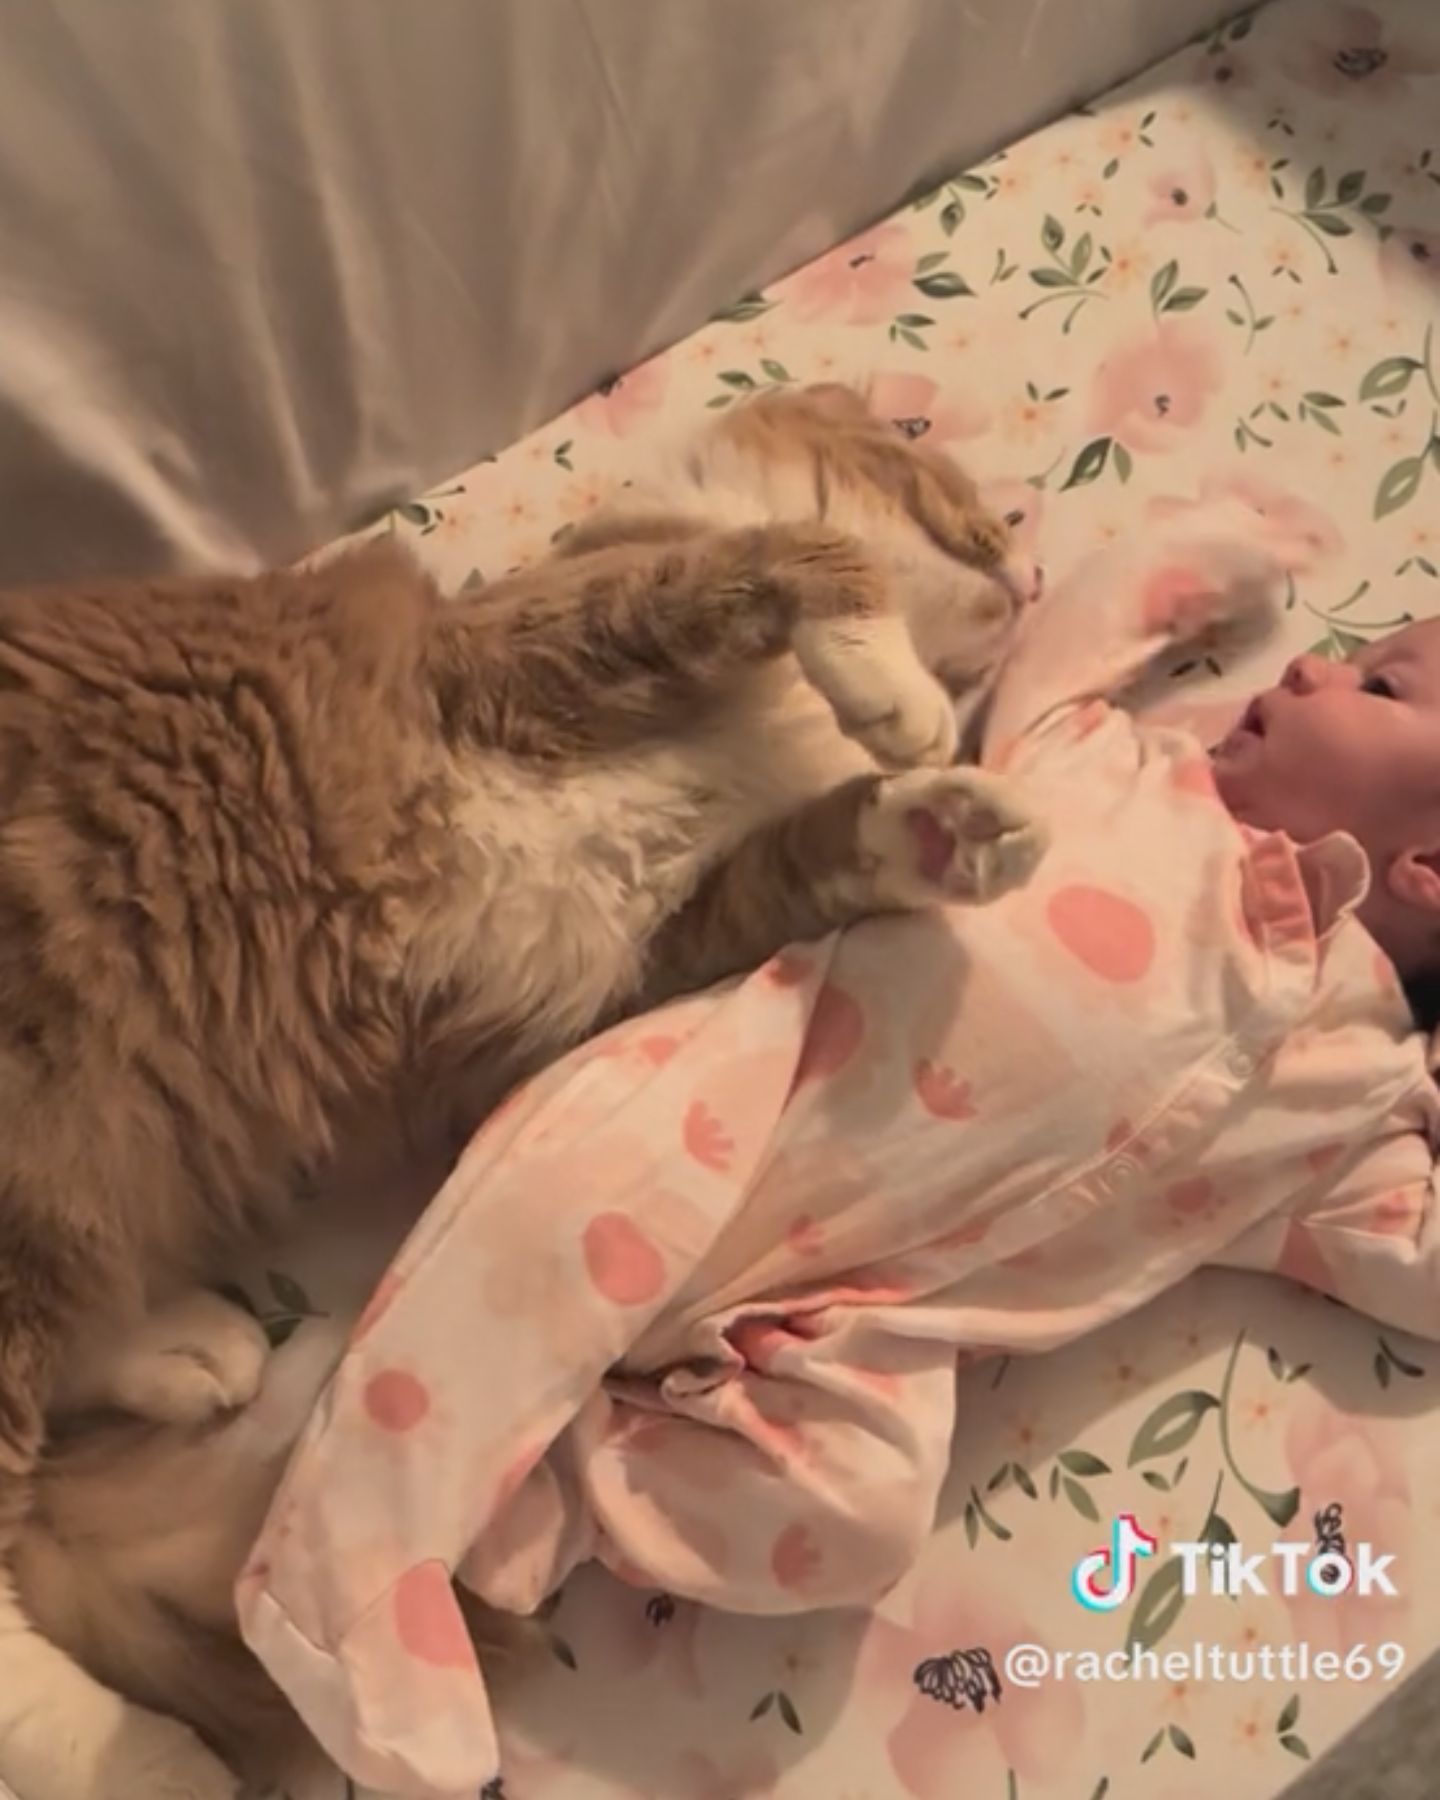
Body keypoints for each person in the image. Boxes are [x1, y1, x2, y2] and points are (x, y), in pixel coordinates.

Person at [70, 498, 1440, 1799]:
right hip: (740, 1099)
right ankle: (346, 1562)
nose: (1316, 668)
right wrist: (1206, 567)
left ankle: (534, 1509)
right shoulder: (1125, 777)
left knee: (860, 1519)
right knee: (545, 1244)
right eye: (1350, 655)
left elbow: (1417, 1271)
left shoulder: (1353, 1104)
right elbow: (1090, 634)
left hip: (852, 1319)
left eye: (1385, 689)